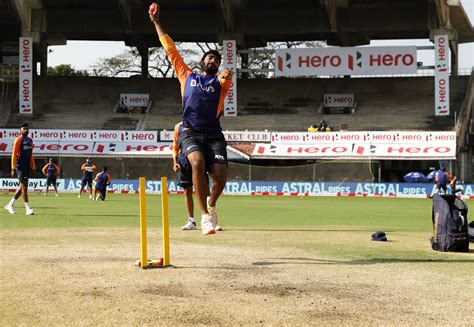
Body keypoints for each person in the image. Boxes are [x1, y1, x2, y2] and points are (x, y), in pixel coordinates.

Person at [150, 4, 233, 235]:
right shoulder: (187, 75)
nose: (213, 60)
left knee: (221, 176)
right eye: (209, 57)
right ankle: (204, 217)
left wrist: (227, 75)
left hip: (214, 134)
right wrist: (156, 21)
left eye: (216, 59)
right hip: (190, 131)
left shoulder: (220, 83)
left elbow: (227, 77)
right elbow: (170, 48)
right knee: (196, 163)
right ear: (202, 62)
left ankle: (212, 205)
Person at [172, 121, 222, 231]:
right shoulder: (178, 127)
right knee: (187, 190)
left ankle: (210, 220)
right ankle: (191, 220)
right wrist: (175, 162)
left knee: (205, 190)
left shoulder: (200, 124)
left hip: (199, 160)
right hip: (184, 161)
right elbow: (175, 147)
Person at [4, 122, 35, 215]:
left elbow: (31, 155)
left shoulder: (30, 140)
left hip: (26, 166)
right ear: (20, 130)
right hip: (19, 166)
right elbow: (13, 155)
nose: (26, 130)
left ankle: (10, 205)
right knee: (24, 186)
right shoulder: (18, 140)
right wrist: (13, 168)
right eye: (24, 129)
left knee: (22, 187)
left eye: (27, 128)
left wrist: (33, 166)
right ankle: (28, 208)